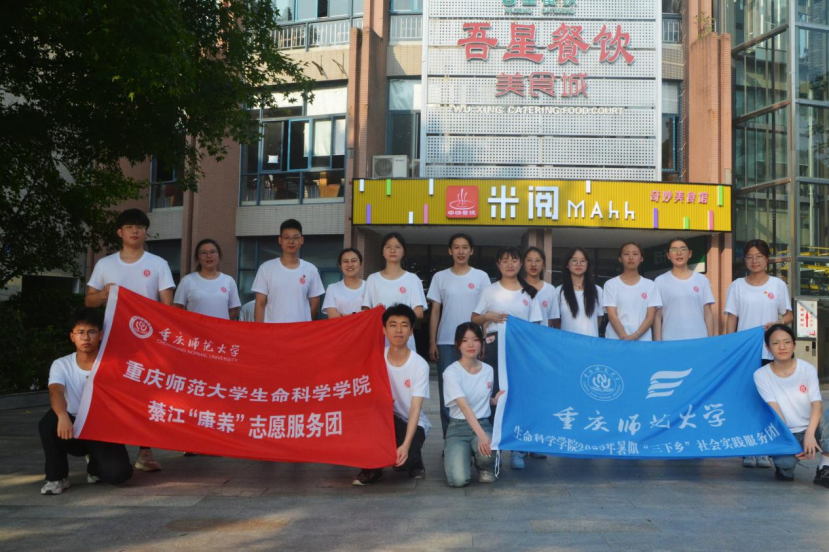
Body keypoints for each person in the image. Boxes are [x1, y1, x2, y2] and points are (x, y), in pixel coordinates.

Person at [85, 208, 174, 472]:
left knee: (148, 394)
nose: (135, 231)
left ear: (146, 232)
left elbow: (167, 306)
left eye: (140, 227)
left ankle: (145, 451)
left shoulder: (158, 264)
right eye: (129, 227)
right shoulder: (105, 264)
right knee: (111, 393)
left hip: (148, 342)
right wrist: (104, 294)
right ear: (119, 232)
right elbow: (89, 300)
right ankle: (105, 447)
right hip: (113, 340)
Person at [39, 309, 133, 495]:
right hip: (71, 424)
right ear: (72, 336)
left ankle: (95, 467)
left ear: (101, 335)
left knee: (119, 475)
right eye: (80, 332)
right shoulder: (61, 364)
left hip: (101, 425)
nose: (86, 338)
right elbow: (56, 392)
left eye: (91, 332)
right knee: (48, 423)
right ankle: (57, 477)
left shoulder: (113, 364)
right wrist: (62, 416)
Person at [471, 246, 542, 470]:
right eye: (504, 260)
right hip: (495, 349)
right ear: (498, 264)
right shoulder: (490, 290)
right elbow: (474, 319)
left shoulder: (529, 292)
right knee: (495, 395)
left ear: (520, 264)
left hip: (521, 350)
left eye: (514, 260)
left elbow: (536, 325)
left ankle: (518, 449)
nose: (510, 264)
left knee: (519, 396)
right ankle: (496, 447)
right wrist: (489, 316)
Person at [725, 239, 793, 469]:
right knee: (746, 400)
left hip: (770, 352)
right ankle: (748, 449)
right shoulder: (737, 286)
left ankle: (764, 448)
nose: (754, 261)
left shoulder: (777, 285)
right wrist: (730, 346)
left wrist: (777, 322)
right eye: (749, 257)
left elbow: (789, 314)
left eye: (759, 256)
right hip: (745, 354)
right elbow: (732, 318)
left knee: (768, 400)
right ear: (744, 260)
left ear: (767, 259)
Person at [352, 304, 430, 486]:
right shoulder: (376, 358)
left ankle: (415, 461)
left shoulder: (419, 365)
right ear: (384, 330)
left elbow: (415, 409)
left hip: (409, 421)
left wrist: (406, 445)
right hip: (381, 417)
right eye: (393, 325)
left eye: (404, 325)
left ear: (411, 331)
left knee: (404, 460)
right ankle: (372, 469)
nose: (398, 330)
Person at [427, 234, 491, 438]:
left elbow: (485, 312)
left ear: (471, 250)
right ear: (450, 251)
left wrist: (484, 340)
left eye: (465, 247)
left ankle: (475, 437)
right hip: (447, 341)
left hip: (474, 342)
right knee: (448, 393)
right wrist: (433, 342)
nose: (461, 251)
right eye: (456, 247)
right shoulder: (440, 277)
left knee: (476, 390)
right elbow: (435, 311)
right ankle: (450, 440)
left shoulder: (481, 277)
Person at [754, 325, 829, 486]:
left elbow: (817, 405)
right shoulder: (761, 375)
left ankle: (825, 468)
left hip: (811, 429)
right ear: (768, 348)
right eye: (776, 343)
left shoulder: (807, 368)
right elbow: (775, 410)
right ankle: (784, 467)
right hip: (784, 432)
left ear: (794, 345)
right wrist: (792, 443)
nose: (782, 347)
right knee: (785, 465)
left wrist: (809, 434)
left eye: (787, 342)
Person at [443, 323, 503, 487]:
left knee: (488, 452)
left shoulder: (488, 370)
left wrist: (494, 401)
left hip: (483, 423)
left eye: (475, 340)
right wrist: (482, 436)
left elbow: (481, 398)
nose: (471, 345)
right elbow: (464, 407)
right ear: (457, 344)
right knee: (458, 480)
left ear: (481, 343)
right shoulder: (451, 372)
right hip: (458, 428)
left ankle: (485, 467)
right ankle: (463, 456)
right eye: (465, 340)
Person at [362, 233, 428, 351]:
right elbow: (365, 312)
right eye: (388, 247)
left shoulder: (412, 279)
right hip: (379, 339)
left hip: (405, 340)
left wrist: (393, 319)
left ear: (403, 252)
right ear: (382, 252)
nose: (393, 250)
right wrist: (375, 312)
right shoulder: (372, 279)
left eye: (397, 247)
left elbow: (419, 312)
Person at [252, 219, 325, 323]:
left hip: (300, 330)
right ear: (280, 240)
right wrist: (259, 329)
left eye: (295, 237)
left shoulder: (310, 270)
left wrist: (305, 324)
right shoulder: (266, 268)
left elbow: (314, 304)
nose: (291, 241)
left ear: (302, 240)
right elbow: (260, 304)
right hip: (273, 330)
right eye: (286, 237)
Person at [653, 238, 715, 341]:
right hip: (670, 340)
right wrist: (658, 342)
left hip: (699, 339)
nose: (679, 253)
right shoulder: (660, 281)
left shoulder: (702, 280)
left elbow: (708, 314)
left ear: (690, 254)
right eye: (674, 250)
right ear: (668, 255)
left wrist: (711, 340)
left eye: (683, 249)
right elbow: (657, 316)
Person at [604, 242, 662, 341]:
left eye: (635, 254)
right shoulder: (611, 284)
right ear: (620, 258)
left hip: (642, 340)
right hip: (616, 339)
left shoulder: (650, 285)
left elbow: (650, 317)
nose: (631, 258)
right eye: (626, 254)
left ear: (641, 258)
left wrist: (635, 335)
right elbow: (612, 315)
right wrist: (624, 336)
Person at [174, 239, 242, 320]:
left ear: (219, 255)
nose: (209, 256)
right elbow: (177, 309)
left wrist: (220, 324)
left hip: (220, 328)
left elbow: (234, 310)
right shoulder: (187, 281)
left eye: (212, 252)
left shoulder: (229, 281)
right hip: (195, 328)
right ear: (198, 257)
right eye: (204, 253)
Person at [552, 248, 604, 337]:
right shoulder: (559, 291)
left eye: (583, 261)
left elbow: (599, 318)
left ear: (587, 264)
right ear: (567, 265)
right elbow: (555, 320)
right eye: (574, 260)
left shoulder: (597, 290)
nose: (578, 264)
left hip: (590, 342)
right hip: (567, 342)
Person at [322, 249, 366, 318]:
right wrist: (357, 315)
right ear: (340, 265)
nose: (350, 265)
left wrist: (342, 315)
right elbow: (333, 317)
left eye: (354, 261)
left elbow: (370, 314)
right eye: (345, 261)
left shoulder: (369, 287)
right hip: (341, 326)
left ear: (360, 264)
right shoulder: (332, 288)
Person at [523, 247, 560, 327]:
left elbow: (552, 320)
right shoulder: (516, 287)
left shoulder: (550, 290)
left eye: (538, 260)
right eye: (529, 260)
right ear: (523, 264)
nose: (533, 264)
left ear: (543, 264)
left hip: (543, 334)